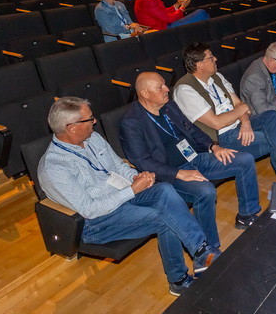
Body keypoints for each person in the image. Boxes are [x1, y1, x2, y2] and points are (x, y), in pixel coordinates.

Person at [38, 97, 220, 297]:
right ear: (71, 128)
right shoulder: (55, 168)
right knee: (165, 218)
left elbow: (117, 165)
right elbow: (90, 209)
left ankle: (201, 251)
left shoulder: (92, 138)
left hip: (122, 195)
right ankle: (179, 280)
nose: (95, 121)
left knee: (165, 190)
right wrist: (133, 190)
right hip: (97, 221)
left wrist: (137, 178)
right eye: (89, 119)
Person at [120, 72, 262, 231]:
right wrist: (179, 173)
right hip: (171, 174)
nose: (167, 89)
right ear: (145, 93)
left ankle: (247, 215)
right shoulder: (131, 123)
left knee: (245, 160)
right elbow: (143, 162)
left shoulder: (169, 106)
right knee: (206, 191)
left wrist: (213, 146)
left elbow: (192, 130)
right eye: (160, 87)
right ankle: (207, 243)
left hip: (195, 158)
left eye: (165, 84)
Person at [172, 43, 276, 182]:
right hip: (221, 137)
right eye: (210, 57)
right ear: (199, 65)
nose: (215, 59)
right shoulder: (185, 90)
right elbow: (217, 122)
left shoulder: (217, 77)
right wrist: (241, 110)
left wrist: (245, 123)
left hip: (238, 124)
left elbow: (239, 104)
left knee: (271, 116)